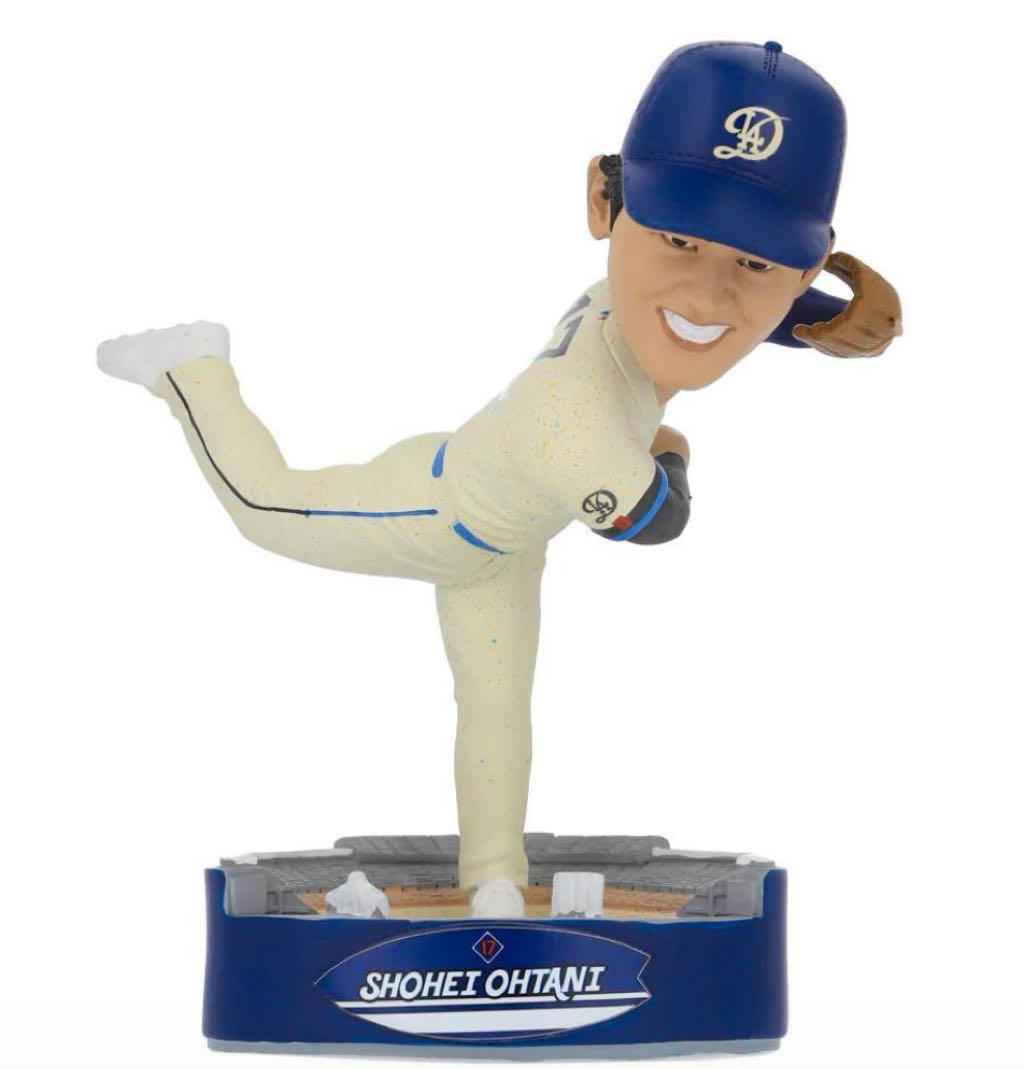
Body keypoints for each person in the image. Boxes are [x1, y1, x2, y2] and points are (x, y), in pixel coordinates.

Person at [97, 40, 901, 918]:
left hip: (510, 544)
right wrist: (674, 445)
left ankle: (494, 882)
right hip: (439, 512)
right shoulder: (573, 418)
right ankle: (191, 368)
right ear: (605, 204)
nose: (709, 296)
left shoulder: (632, 289)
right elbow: (655, 519)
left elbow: (712, 307)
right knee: (264, 504)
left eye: (755, 261)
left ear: (805, 266)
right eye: (678, 239)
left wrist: (819, 322)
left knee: (496, 714)